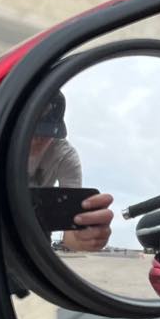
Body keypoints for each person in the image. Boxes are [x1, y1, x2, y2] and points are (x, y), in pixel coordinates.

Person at [27, 93, 114, 252]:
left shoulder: (65, 156)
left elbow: (71, 232)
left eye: (45, 132)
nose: (36, 139)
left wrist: (83, 238)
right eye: (31, 131)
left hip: (38, 222)